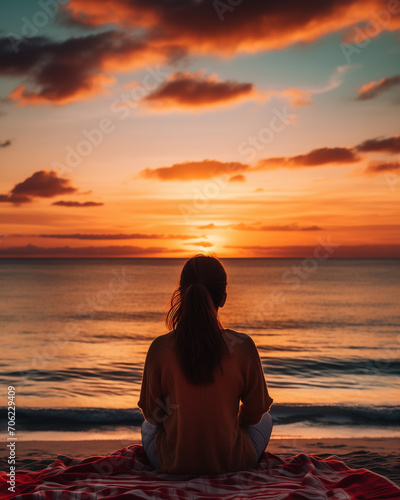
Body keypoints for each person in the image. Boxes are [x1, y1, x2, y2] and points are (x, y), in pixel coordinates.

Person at [138, 255, 273, 475]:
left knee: (146, 427)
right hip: (232, 463)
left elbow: (152, 417)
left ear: (182, 294)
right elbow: (255, 412)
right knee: (266, 418)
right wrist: (230, 422)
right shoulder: (243, 346)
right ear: (223, 298)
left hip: (174, 465)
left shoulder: (160, 348)